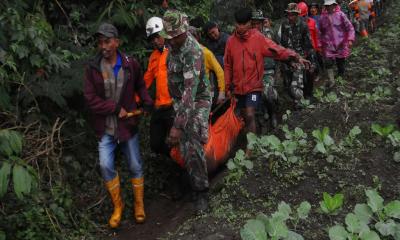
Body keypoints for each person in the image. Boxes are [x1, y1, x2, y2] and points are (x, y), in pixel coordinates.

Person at [84, 23, 153, 227]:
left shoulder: (130, 64)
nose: (103, 46)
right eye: (100, 42)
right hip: (106, 127)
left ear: (117, 42)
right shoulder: (93, 68)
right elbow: (90, 99)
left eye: (107, 41)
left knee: (135, 164)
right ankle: (118, 207)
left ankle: (139, 205)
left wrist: (147, 101)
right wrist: (114, 108)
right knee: (105, 165)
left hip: (128, 125)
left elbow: (140, 84)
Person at [224, 7, 310, 136]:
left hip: (253, 86)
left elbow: (277, 50)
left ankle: (251, 147)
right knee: (244, 115)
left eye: (244, 24)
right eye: (238, 24)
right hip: (238, 87)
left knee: (250, 113)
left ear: (249, 23)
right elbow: (228, 65)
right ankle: (254, 136)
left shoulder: (258, 38)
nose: (241, 27)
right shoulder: (231, 42)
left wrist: (296, 57)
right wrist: (227, 87)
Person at [159, 10, 212, 212]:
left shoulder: (193, 51)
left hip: (197, 100)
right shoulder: (172, 46)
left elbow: (191, 92)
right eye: (168, 36)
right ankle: (184, 178)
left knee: (191, 138)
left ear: (183, 32)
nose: (170, 40)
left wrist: (179, 126)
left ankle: (201, 192)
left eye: (175, 36)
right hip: (178, 101)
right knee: (175, 144)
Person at [144, 17, 175, 157]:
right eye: (152, 39)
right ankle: (171, 157)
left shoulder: (175, 52)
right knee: (155, 144)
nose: (155, 41)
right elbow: (147, 80)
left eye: (157, 37)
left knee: (177, 140)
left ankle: (182, 169)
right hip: (159, 106)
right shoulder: (153, 57)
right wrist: (136, 98)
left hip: (173, 106)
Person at [278, 3, 314, 108]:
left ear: (297, 15)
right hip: (288, 56)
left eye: (292, 15)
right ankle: (291, 96)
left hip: (301, 57)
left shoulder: (303, 26)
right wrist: (287, 60)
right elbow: (282, 43)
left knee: (298, 79)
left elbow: (308, 45)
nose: (290, 17)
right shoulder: (284, 25)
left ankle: (299, 101)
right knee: (287, 78)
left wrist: (308, 60)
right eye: (288, 14)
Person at [251, 9, 279, 128]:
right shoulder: (247, 36)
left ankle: (273, 114)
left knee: (268, 94)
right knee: (254, 98)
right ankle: (261, 117)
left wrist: (278, 68)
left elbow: (278, 50)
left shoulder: (270, 34)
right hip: (253, 73)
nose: (256, 26)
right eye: (254, 23)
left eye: (258, 23)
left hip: (268, 70)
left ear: (262, 23)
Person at [319, 0, 355, 87]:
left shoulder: (341, 15)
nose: (329, 7)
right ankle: (331, 81)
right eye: (327, 6)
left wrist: (350, 39)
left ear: (334, 5)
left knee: (340, 63)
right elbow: (320, 31)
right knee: (328, 62)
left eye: (330, 5)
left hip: (341, 43)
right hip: (328, 44)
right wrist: (320, 44)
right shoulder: (322, 17)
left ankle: (340, 77)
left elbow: (349, 27)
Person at [189, 26, 226, 105]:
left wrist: (221, 92)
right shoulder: (182, 55)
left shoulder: (206, 53)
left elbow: (219, 72)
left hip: (203, 96)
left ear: (196, 38)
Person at [298, 1, 320, 96]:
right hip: (301, 52)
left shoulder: (313, 22)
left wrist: (317, 47)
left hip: (312, 49)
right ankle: (303, 91)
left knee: (311, 70)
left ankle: (309, 93)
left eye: (303, 16)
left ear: (306, 13)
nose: (302, 18)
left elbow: (316, 36)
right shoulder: (296, 24)